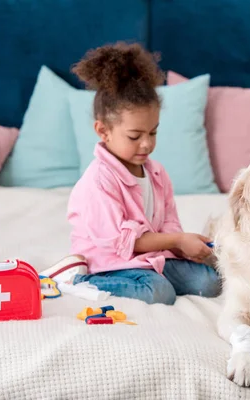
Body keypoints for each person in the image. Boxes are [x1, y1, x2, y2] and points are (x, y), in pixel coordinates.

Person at [66, 42, 220, 305]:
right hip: (111, 262)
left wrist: (183, 246)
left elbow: (168, 224)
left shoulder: (157, 174)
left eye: (153, 132)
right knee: (160, 293)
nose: (147, 144)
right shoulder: (98, 181)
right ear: (103, 131)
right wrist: (179, 240)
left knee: (210, 283)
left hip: (152, 257)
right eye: (135, 136)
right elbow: (119, 242)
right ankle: (80, 281)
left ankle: (159, 274)